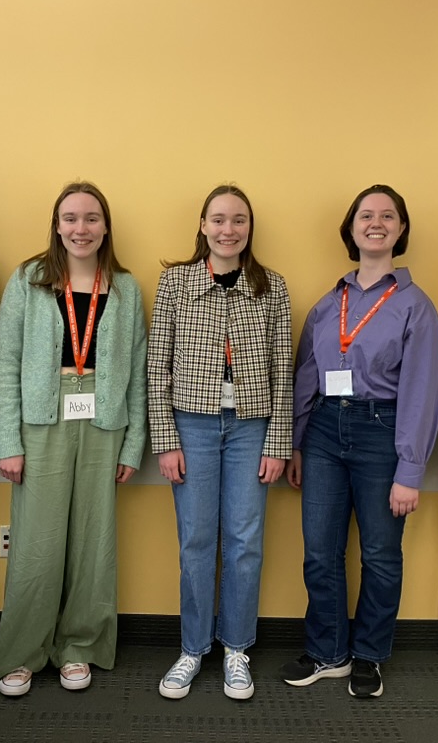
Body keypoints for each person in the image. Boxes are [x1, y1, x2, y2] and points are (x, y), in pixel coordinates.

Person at [279, 184, 438, 699]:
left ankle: (370, 654)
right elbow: (306, 375)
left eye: (388, 216)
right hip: (325, 430)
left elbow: (422, 392)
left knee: (380, 553)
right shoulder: (331, 304)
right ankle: (329, 651)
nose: (377, 223)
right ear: (351, 229)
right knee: (319, 551)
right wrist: (298, 443)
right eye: (366, 215)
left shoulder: (416, 306)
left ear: (400, 229)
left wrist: (409, 470)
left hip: (382, 433)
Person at [0, 182, 147, 698]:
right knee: (37, 543)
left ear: (105, 227)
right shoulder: (28, 281)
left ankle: (79, 646)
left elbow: (139, 372)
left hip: (105, 422)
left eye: (92, 218)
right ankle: (23, 652)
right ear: (57, 225)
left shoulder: (123, 287)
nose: (81, 228)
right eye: (71, 218)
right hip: (42, 420)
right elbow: (5, 364)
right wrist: (7, 440)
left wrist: (132, 444)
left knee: (94, 543)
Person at [148, 185, 292, 701]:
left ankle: (236, 648)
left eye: (239, 220)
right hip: (193, 426)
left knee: (245, 541)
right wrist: (165, 439)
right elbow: (157, 365)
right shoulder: (176, 283)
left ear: (250, 228)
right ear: (203, 225)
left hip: (252, 428)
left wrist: (278, 443)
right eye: (219, 220)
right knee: (195, 540)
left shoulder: (271, 286)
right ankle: (192, 647)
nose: (228, 230)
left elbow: (284, 373)